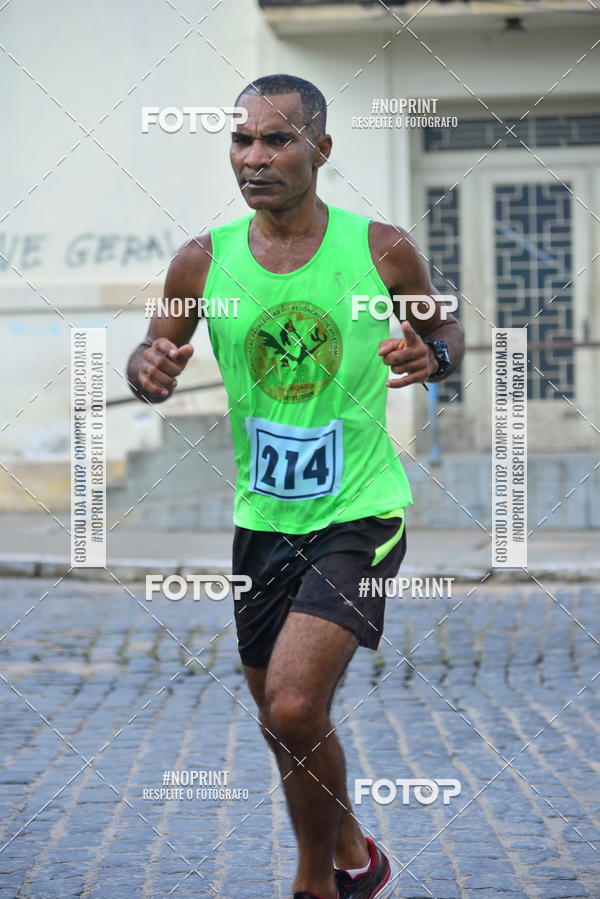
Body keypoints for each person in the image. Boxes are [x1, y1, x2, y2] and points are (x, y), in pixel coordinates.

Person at [127, 74, 464, 899]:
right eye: (241, 140)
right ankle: (359, 852)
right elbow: (151, 356)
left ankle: (320, 883)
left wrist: (436, 356)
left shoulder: (378, 246)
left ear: (321, 147)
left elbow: (443, 323)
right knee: (290, 727)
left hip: (359, 512)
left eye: (277, 139)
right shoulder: (202, 259)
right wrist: (148, 370)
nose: (255, 157)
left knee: (289, 705)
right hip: (262, 521)